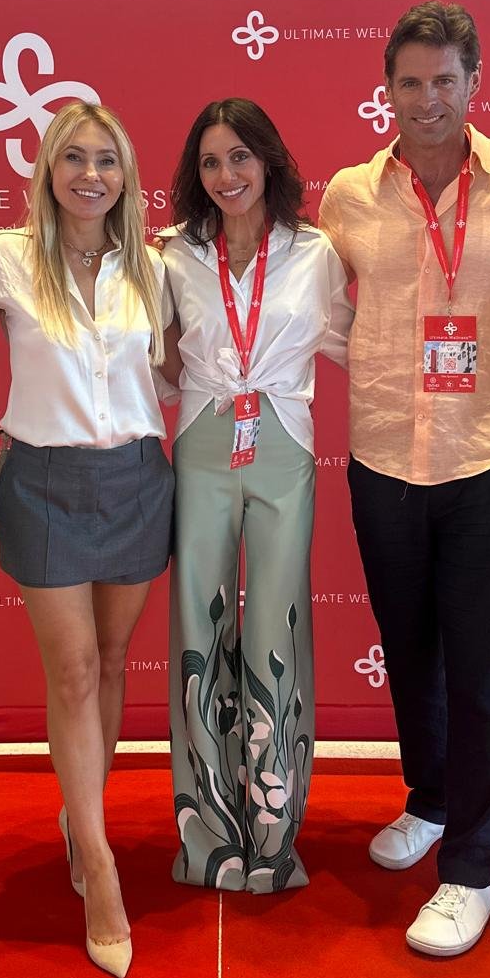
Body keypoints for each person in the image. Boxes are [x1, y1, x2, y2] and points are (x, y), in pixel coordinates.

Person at [319, 0, 490, 958]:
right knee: (410, 649)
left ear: (474, 84)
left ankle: (473, 866)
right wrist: (372, 360)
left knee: (483, 663)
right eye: (410, 82)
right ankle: (430, 800)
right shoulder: (350, 194)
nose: (427, 99)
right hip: (385, 454)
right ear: (386, 90)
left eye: (444, 81)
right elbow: (317, 303)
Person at [0, 100, 176, 978]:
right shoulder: (8, 259)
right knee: (73, 670)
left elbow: (174, 371)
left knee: (113, 658)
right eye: (74, 158)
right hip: (44, 482)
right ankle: (98, 866)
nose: (90, 175)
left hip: (135, 478)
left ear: (126, 176)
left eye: (106, 160)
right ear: (48, 170)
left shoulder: (152, 267)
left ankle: (80, 813)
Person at [159, 99, 353, 892]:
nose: (226, 175)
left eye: (240, 157)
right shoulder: (174, 253)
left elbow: (354, 340)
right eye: (210, 162)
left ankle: (274, 839)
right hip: (202, 441)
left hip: (284, 445)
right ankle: (209, 834)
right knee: (198, 627)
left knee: (278, 625)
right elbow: (157, 360)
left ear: (269, 160)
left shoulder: (315, 251)